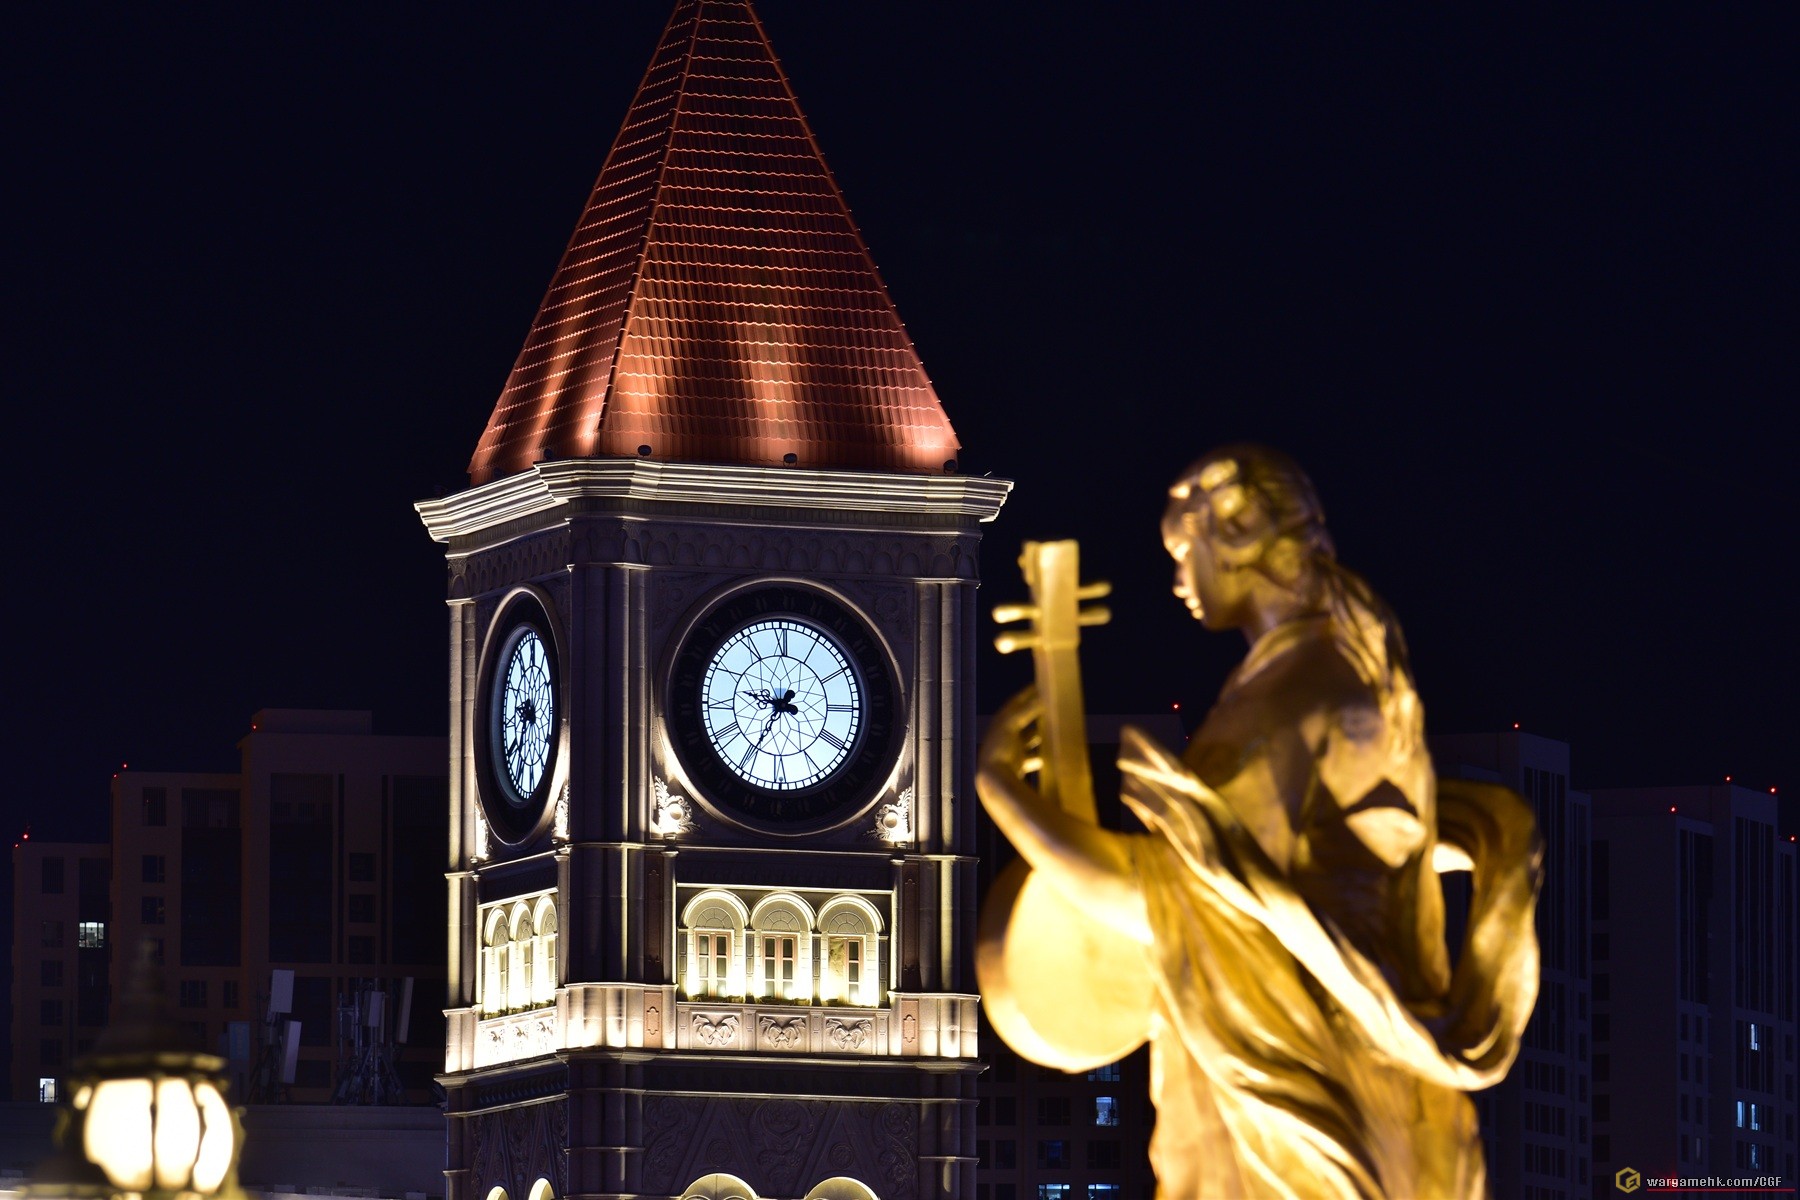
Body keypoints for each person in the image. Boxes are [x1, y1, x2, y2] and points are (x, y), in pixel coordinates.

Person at [977, 446, 1542, 1199]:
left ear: (1237, 538)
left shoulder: (1294, 699)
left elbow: (1178, 899)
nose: (1179, 580)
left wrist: (1003, 793)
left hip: (1301, 1109)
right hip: (1356, 1096)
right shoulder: (1336, 678)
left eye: (1185, 553)